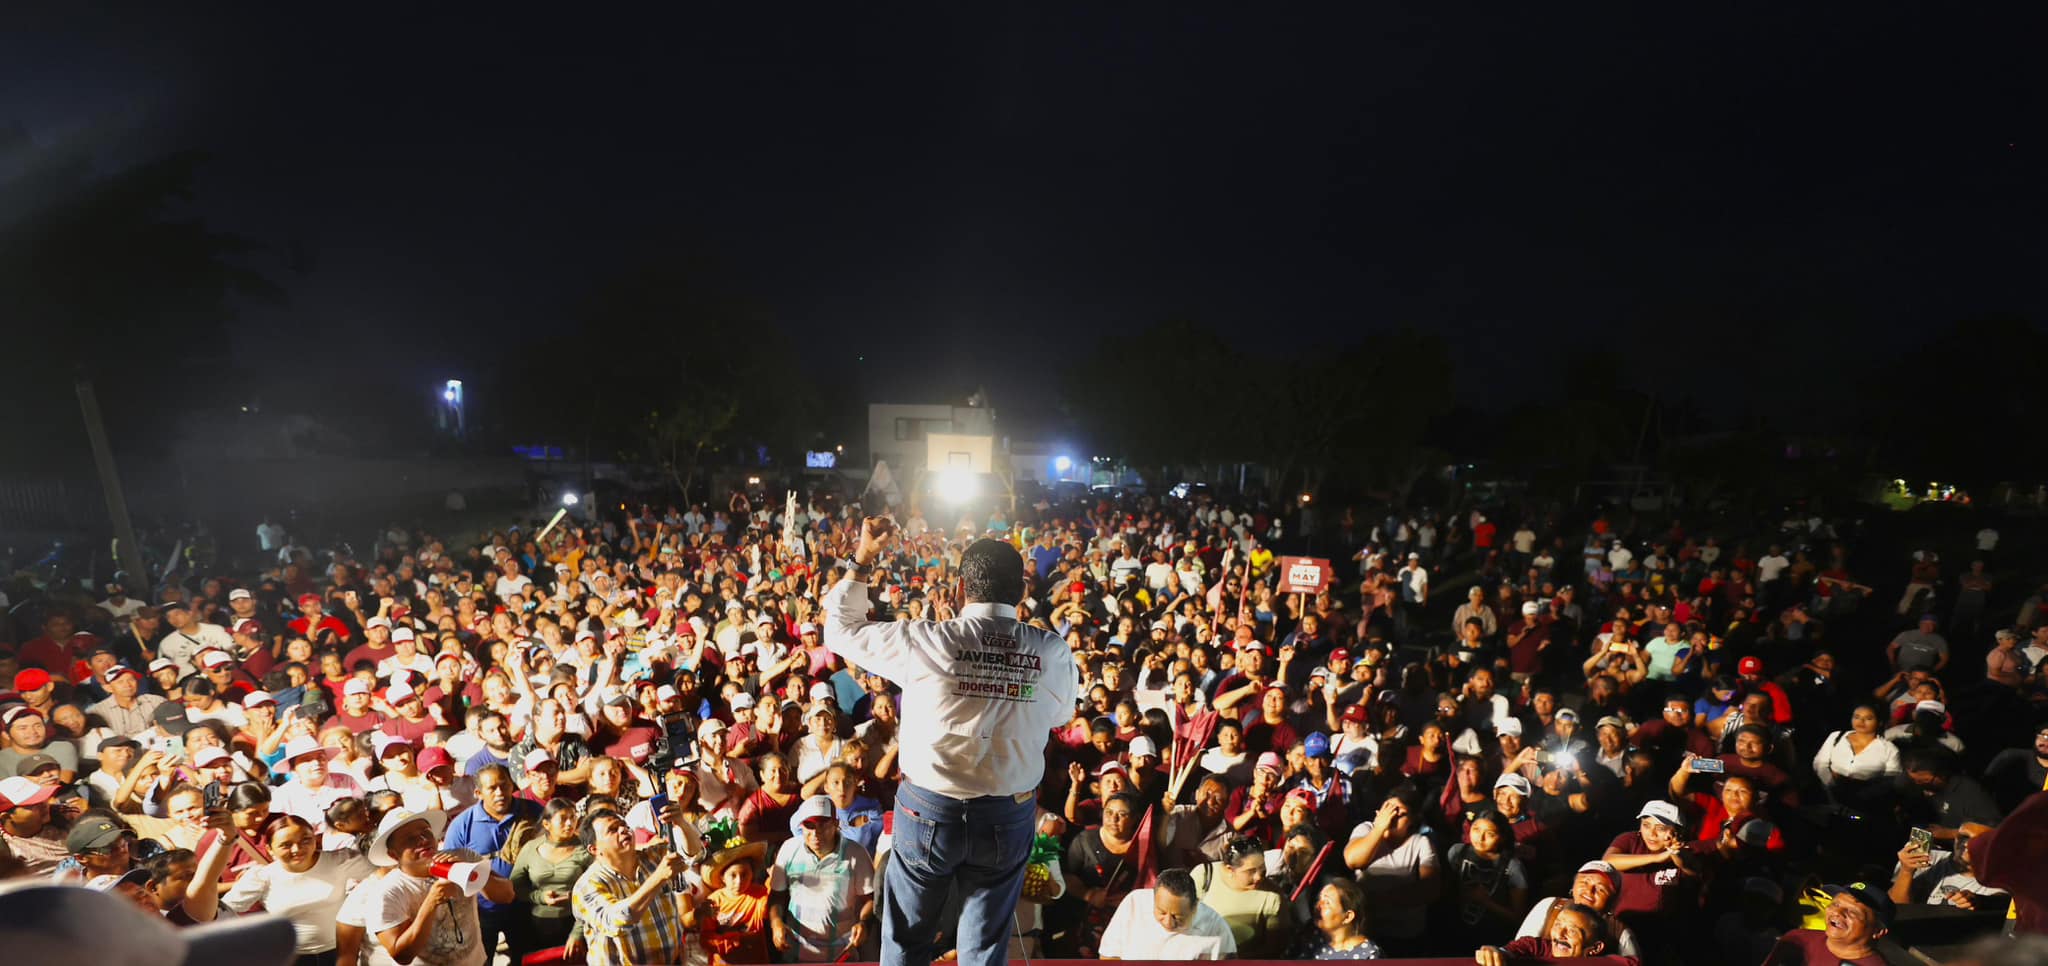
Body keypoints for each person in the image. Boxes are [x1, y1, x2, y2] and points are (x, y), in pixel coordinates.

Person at [821, 518, 1077, 966]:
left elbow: (841, 631)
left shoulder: (928, 640)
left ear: (960, 590)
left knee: (905, 940)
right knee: (983, 946)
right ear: (1019, 592)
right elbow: (1061, 716)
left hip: (928, 810)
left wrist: (862, 555)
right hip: (1006, 812)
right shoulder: (1050, 651)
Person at [363, 807, 514, 966]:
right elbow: (401, 956)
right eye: (410, 839)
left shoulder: (462, 857)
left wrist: (469, 871)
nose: (423, 840)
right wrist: (431, 902)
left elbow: (506, 895)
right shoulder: (386, 893)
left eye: (426, 832)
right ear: (393, 854)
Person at [220, 813, 376, 965]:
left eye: (305, 840)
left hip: (340, 953)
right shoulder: (261, 876)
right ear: (269, 849)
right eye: (286, 845)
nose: (297, 849)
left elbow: (384, 869)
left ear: (316, 840)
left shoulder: (340, 861)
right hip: (289, 957)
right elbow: (222, 912)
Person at [442, 764, 541, 962]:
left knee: (528, 959)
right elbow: (450, 869)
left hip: (526, 906)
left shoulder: (533, 812)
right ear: (479, 793)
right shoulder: (462, 825)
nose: (500, 793)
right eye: (492, 788)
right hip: (482, 912)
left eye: (504, 786)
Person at [571, 809, 688, 966]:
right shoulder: (586, 886)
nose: (623, 830)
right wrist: (659, 878)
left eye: (624, 825)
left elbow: (694, 852)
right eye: (612, 830)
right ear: (594, 849)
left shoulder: (653, 856)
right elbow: (618, 921)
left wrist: (681, 822)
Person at [769, 795, 876, 963]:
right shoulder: (789, 849)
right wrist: (776, 923)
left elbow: (869, 899)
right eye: (809, 826)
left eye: (823, 825)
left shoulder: (856, 853)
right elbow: (777, 896)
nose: (815, 833)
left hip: (842, 953)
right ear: (801, 827)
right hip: (795, 953)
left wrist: (864, 923)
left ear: (836, 824)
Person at [509, 798, 592, 958]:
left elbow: (593, 894)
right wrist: (539, 897)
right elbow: (515, 886)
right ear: (546, 824)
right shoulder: (531, 848)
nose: (569, 823)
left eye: (573, 817)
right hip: (536, 924)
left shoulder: (584, 849)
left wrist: (578, 932)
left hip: (574, 922)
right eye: (563, 819)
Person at [1098, 867, 1236, 960]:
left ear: (1195, 907)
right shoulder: (1134, 903)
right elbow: (1108, 955)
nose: (1168, 923)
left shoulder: (1216, 928)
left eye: (1178, 916)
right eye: (1162, 912)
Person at [1190, 835, 1284, 956]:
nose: (1259, 877)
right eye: (1251, 871)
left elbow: (1273, 949)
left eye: (1262, 868)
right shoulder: (1204, 875)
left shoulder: (1273, 897)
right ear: (1230, 870)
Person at [1763, 883, 1895, 965]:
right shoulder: (1797, 938)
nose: (1837, 912)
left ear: (1878, 931)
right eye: (1836, 904)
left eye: (1852, 912)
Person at [1476, 901, 1637, 965]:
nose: (1560, 933)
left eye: (1572, 930)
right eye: (1558, 924)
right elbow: (1507, 951)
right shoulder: (1535, 946)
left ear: (1595, 948)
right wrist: (1495, 953)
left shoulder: (1602, 962)